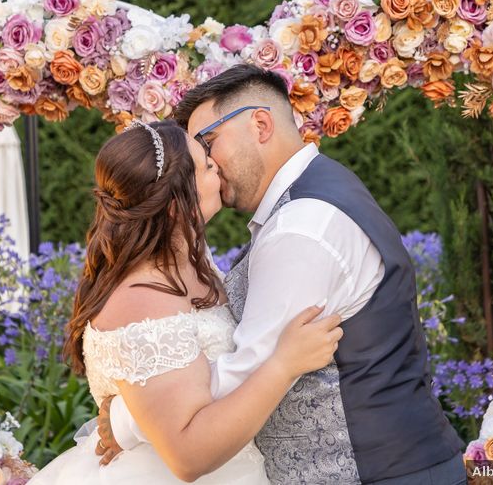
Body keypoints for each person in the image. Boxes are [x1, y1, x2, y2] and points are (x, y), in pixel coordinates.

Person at [98, 65, 467, 484]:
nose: (207, 163)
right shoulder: (318, 191)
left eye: (208, 141)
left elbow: (247, 370)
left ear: (260, 124)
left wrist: (128, 418)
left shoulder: (299, 227)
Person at [29, 118, 343, 484]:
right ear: (177, 204)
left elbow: (192, 383)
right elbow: (188, 456)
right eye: (207, 166)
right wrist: (284, 364)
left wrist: (129, 421)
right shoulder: (141, 299)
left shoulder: (192, 259)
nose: (218, 167)